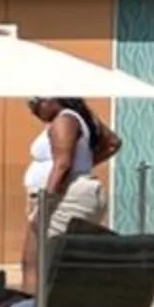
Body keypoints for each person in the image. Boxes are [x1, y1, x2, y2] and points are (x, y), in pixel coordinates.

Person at [22, 94, 110, 289]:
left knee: (39, 262)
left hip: (63, 196)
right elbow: (112, 143)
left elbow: (62, 163)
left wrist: (47, 199)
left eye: (35, 103)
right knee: (35, 260)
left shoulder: (65, 119)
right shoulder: (79, 118)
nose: (33, 110)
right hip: (68, 192)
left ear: (53, 99)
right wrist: (84, 164)